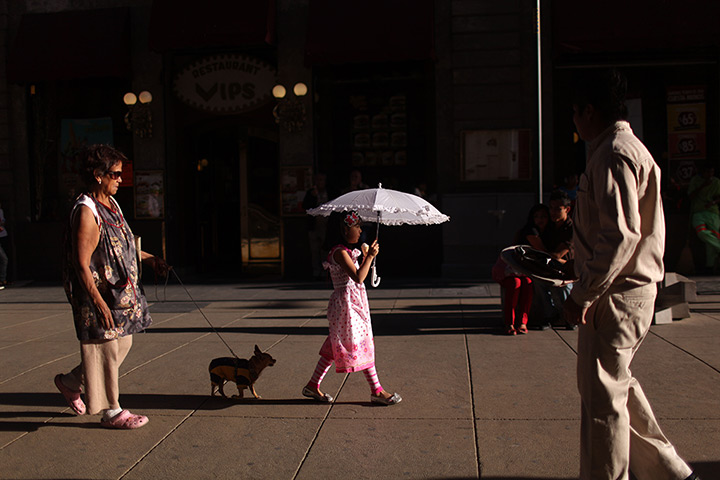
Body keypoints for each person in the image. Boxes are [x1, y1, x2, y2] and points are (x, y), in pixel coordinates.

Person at [563, 69, 698, 480]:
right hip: (621, 291)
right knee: (613, 386)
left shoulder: (613, 154)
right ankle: (669, 471)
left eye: (574, 113)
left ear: (589, 111)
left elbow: (620, 234)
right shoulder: (617, 149)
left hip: (618, 294)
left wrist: (582, 293)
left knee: (604, 403)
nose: (573, 122)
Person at [55, 144, 170, 429]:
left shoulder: (112, 203)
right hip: (98, 295)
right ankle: (112, 411)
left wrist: (150, 258)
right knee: (104, 349)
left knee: (124, 342)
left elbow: (122, 246)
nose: (121, 179)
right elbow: (81, 263)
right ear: (97, 175)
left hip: (118, 293)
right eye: (116, 174)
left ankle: (70, 383)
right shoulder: (86, 211)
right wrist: (98, 302)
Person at [302, 210, 401, 405]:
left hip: (353, 304)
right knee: (361, 342)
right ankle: (377, 390)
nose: (361, 231)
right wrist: (370, 257)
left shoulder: (347, 251)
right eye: (357, 227)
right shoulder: (339, 252)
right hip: (346, 307)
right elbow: (358, 277)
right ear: (345, 229)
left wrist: (366, 258)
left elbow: (359, 275)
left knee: (335, 344)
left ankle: (313, 385)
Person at [536, 190, 575, 329]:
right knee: (539, 283)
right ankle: (550, 316)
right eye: (551, 208)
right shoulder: (549, 226)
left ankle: (568, 318)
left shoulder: (572, 228)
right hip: (549, 266)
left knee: (562, 287)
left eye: (558, 209)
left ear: (567, 209)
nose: (553, 212)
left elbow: (559, 254)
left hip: (567, 268)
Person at [687, 162, 720, 274]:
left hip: (712, 212)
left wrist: (713, 202)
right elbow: (691, 196)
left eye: (712, 172)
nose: (710, 174)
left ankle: (710, 267)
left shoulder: (716, 182)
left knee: (711, 241)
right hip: (698, 212)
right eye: (708, 172)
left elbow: (718, 196)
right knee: (702, 233)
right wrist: (703, 185)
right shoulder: (696, 181)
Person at [302, 172, 337, 279]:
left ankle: (325, 270)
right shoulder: (311, 193)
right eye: (318, 180)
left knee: (325, 249)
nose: (320, 182)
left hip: (326, 224)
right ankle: (316, 271)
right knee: (314, 250)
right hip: (314, 225)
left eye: (322, 180)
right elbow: (306, 206)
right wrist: (313, 196)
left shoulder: (329, 192)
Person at [0, 203, 8, 289]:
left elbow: (2, 222)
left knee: (4, 259)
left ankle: (3, 279)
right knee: (3, 258)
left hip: (3, 236)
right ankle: (2, 279)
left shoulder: (0, 211)